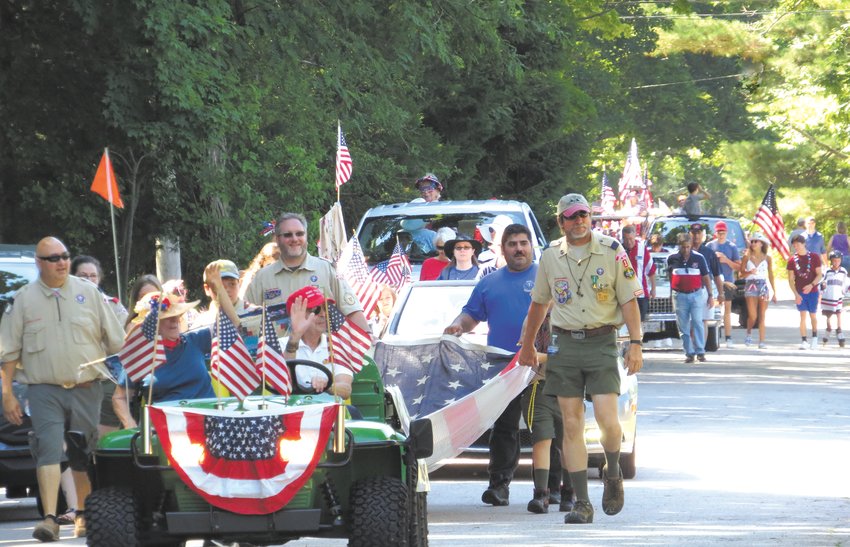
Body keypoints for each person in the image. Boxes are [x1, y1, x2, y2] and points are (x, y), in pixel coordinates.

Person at [516, 194, 643, 525]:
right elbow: (539, 305)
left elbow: (629, 300)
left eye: (583, 214)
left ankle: (612, 469)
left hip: (602, 342)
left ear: (591, 217)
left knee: (607, 419)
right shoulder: (549, 257)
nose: (578, 221)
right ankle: (582, 503)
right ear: (561, 222)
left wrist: (636, 343)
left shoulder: (613, 250)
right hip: (565, 345)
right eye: (570, 216)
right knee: (570, 423)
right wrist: (527, 345)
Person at [0, 237, 125, 541]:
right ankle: (49, 519)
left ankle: (83, 511)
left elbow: (117, 342)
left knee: (82, 450)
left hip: (86, 387)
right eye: (53, 258)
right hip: (44, 389)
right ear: (39, 263)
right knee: (48, 448)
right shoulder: (24, 299)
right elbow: (9, 352)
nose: (62, 262)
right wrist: (8, 394)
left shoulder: (89, 293)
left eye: (65, 256)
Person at [444, 224, 560, 508]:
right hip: (504, 367)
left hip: (542, 365)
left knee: (548, 430)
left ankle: (551, 489)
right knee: (504, 427)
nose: (519, 248)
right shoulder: (489, 282)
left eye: (523, 243)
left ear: (532, 247)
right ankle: (499, 487)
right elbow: (471, 314)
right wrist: (458, 325)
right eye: (512, 244)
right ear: (502, 249)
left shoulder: (548, 278)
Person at [112, 263, 236, 428]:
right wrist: (131, 426)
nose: (174, 321)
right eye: (166, 318)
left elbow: (232, 325)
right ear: (153, 324)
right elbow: (119, 397)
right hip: (168, 429)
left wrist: (219, 287)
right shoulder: (141, 354)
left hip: (210, 422)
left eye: (176, 315)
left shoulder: (195, 340)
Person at [243, 212, 370, 336]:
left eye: (299, 234)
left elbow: (352, 311)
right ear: (277, 239)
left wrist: (368, 338)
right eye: (288, 235)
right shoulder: (262, 277)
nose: (294, 239)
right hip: (280, 355)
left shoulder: (326, 269)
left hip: (321, 354)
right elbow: (245, 319)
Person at [281, 286, 354, 398]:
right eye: (316, 310)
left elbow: (346, 390)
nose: (323, 314)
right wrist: (295, 336)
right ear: (295, 315)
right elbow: (282, 383)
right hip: (292, 411)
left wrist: (327, 385)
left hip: (328, 411)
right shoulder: (280, 345)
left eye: (325, 308)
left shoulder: (338, 345)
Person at [667, 233, 713, 363]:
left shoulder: (699, 258)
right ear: (679, 246)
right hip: (679, 295)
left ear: (691, 245)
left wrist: (710, 295)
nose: (686, 250)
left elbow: (706, 277)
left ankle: (700, 351)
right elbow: (671, 277)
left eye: (688, 247)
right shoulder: (672, 258)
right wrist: (672, 295)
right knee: (683, 326)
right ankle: (689, 352)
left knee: (697, 321)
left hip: (696, 294)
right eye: (683, 247)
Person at [193, 259, 256, 327]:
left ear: (239, 285)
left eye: (232, 284)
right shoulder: (201, 323)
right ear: (207, 289)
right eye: (219, 285)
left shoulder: (256, 314)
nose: (226, 290)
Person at [739, 233, 776, 349]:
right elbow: (740, 274)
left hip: (763, 285)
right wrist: (750, 272)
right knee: (753, 315)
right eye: (752, 241)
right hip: (751, 285)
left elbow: (771, 275)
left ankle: (762, 341)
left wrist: (774, 291)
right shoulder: (746, 257)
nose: (753, 243)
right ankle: (749, 333)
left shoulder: (767, 258)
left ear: (761, 244)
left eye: (756, 241)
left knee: (762, 315)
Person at [707, 221, 741, 348]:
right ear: (715, 233)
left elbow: (738, 266)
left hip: (727, 281)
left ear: (726, 233)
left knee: (727, 310)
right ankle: (712, 336)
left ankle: (728, 338)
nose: (721, 235)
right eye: (719, 232)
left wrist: (726, 260)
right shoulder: (710, 246)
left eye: (723, 232)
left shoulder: (732, 247)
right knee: (713, 309)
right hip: (713, 282)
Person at [788, 234, 823, 350]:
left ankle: (814, 338)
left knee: (813, 314)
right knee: (802, 315)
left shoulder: (814, 257)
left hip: (812, 291)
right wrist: (796, 294)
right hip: (800, 292)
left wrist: (812, 284)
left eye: (798, 244)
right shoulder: (792, 260)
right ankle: (804, 340)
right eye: (794, 245)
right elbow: (790, 279)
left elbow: (819, 274)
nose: (796, 247)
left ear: (804, 244)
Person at [70, 255, 128, 325]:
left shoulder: (112, 305)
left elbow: (126, 331)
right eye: (83, 275)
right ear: (72, 277)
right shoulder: (66, 303)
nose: (89, 280)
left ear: (99, 278)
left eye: (93, 275)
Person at [690, 223, 723, 343]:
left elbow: (716, 275)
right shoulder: (685, 250)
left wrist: (720, 293)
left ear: (702, 235)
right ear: (690, 234)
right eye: (693, 233)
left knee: (703, 320)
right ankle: (692, 349)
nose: (696, 236)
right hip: (689, 291)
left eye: (698, 233)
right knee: (693, 321)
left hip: (704, 290)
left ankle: (700, 349)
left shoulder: (709, 252)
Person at [620, 225, 656, 321]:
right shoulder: (618, 250)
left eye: (631, 238)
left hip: (641, 294)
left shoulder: (642, 249)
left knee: (639, 322)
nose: (628, 242)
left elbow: (651, 270)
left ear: (635, 236)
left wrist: (653, 288)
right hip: (624, 295)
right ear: (622, 238)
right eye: (626, 239)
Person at [820, 251, 849, 347]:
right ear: (831, 261)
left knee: (839, 315)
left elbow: (845, 283)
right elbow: (821, 281)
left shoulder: (843, 271)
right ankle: (827, 332)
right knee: (829, 317)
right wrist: (822, 286)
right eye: (834, 261)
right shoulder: (827, 271)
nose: (836, 262)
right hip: (828, 298)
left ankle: (839, 331)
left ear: (841, 261)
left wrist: (846, 290)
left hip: (838, 297)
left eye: (838, 260)